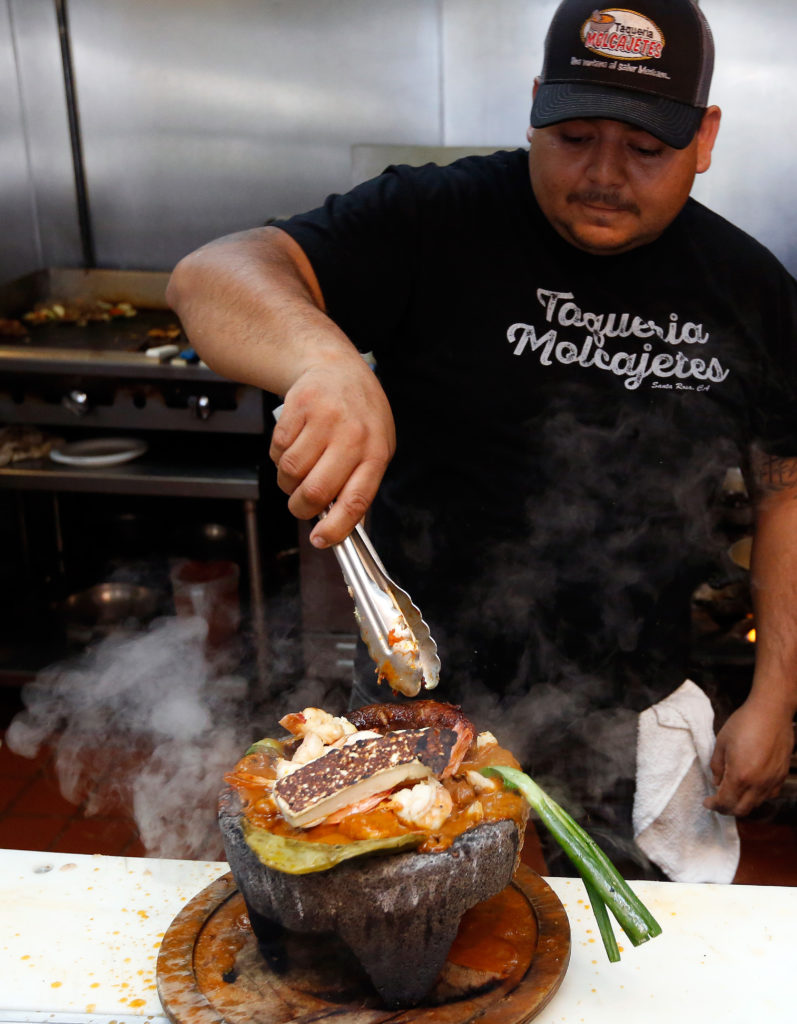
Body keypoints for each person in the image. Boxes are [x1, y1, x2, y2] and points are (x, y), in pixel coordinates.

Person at [167, 0, 797, 875]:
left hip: (633, 700)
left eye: (646, 148)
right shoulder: (435, 217)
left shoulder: (749, 287)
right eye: (574, 135)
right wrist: (327, 362)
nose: (605, 173)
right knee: (401, 941)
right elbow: (212, 274)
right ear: (534, 103)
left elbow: (784, 490)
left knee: (638, 958)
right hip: (417, 692)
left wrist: (775, 694)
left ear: (705, 136)